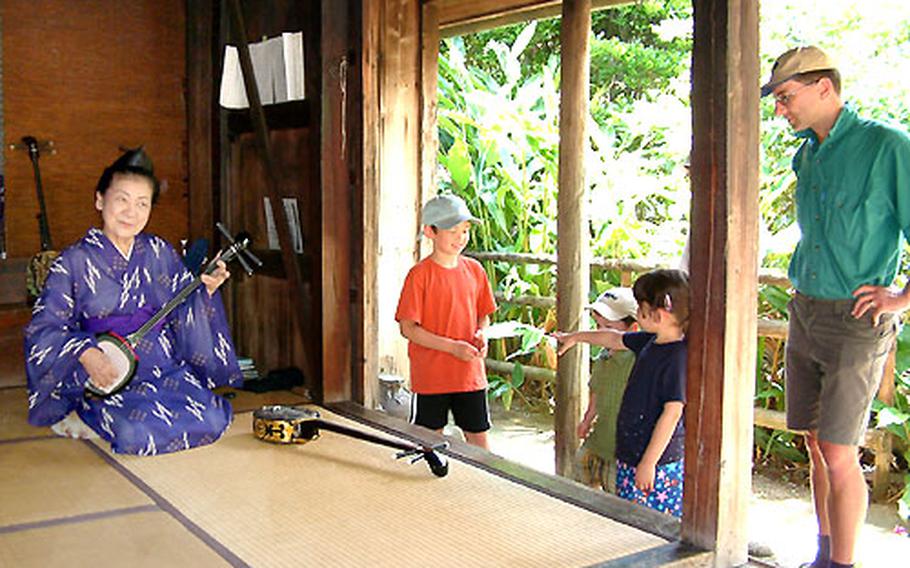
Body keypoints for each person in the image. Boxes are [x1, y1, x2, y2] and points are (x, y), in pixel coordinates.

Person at [761, 45, 910, 568]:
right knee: (814, 444)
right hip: (806, 309)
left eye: (786, 97)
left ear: (825, 87)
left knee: (842, 451)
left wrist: (901, 297)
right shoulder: (807, 154)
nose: (780, 109)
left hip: (857, 320)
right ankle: (823, 557)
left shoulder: (887, 146)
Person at [24, 147, 242, 456]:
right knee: (136, 433)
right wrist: (84, 352)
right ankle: (84, 411)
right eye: (122, 200)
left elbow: (182, 307)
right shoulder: (73, 261)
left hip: (159, 367)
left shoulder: (158, 251)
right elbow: (44, 328)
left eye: (142, 204)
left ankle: (107, 419)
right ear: (100, 200)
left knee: (213, 417)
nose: (131, 212)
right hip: (106, 371)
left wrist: (204, 289)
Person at [554, 269, 688, 517]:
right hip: (631, 454)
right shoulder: (650, 340)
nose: (637, 312)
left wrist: (649, 462)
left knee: (651, 525)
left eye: (640, 307)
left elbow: (672, 414)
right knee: (626, 518)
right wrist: (576, 337)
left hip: (658, 463)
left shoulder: (677, 358)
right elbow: (614, 338)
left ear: (658, 314)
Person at [395, 194, 496, 449]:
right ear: (431, 231)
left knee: (480, 443)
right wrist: (452, 347)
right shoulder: (419, 275)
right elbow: (408, 328)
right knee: (426, 443)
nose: (460, 237)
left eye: (464, 230)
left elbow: (483, 315)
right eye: (452, 231)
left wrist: (482, 335)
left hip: (470, 373)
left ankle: (484, 489)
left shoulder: (475, 270)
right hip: (432, 376)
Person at [555, 288, 638, 493]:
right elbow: (597, 390)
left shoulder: (639, 361)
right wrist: (587, 419)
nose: (599, 333)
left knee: (614, 500)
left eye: (607, 328)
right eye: (597, 326)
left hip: (619, 450)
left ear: (634, 329)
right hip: (598, 439)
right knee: (580, 481)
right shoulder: (603, 357)